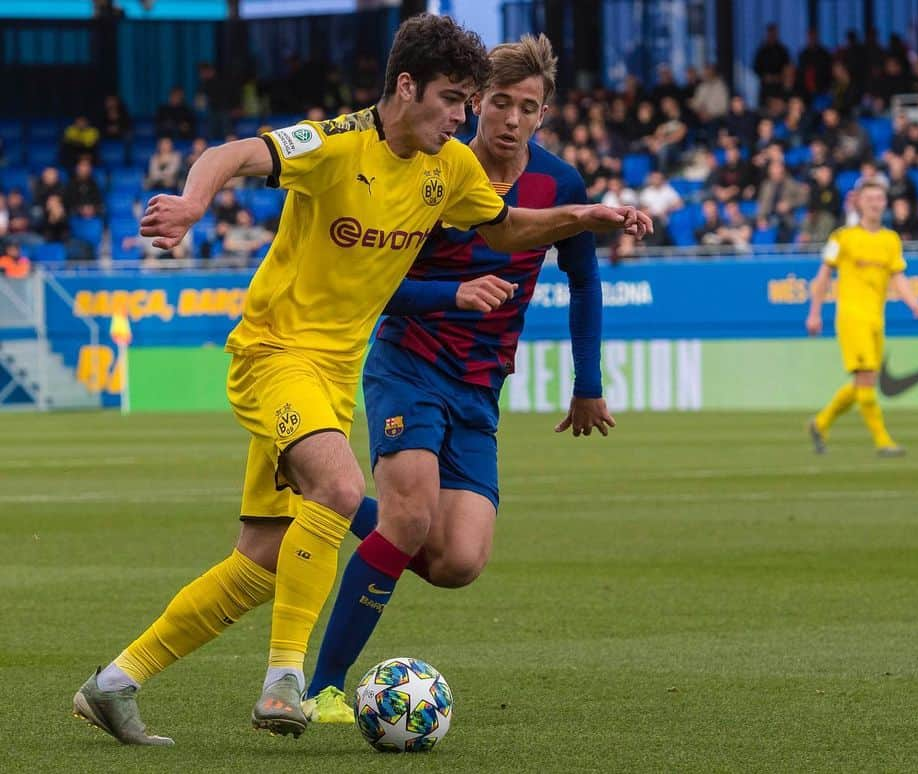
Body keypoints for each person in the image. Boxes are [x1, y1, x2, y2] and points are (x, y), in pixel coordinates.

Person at [71, 13, 650, 747]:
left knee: (263, 559)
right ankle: (288, 683)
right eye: (452, 99)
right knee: (341, 491)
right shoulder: (335, 144)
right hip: (274, 354)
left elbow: (503, 230)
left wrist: (581, 215)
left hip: (334, 374)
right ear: (405, 87)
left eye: (472, 101)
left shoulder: (452, 168)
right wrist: (191, 203)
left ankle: (115, 682)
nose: (464, 117)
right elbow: (233, 151)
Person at [301, 33, 617, 723]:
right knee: (411, 517)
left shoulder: (559, 185)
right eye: (498, 102)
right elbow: (375, 286)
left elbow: (585, 282)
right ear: (475, 103)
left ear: (543, 114)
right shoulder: (432, 169)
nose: (510, 119)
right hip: (408, 360)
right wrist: (453, 294)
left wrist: (586, 381)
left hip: (479, 385)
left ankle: (331, 495)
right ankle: (321, 684)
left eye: (526, 106)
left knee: (457, 563)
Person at [804, 177, 918, 456]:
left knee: (862, 383)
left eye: (879, 199)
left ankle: (820, 423)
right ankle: (883, 441)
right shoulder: (842, 237)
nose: (875, 204)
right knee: (868, 379)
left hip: (876, 319)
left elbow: (899, 276)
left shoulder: (890, 240)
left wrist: (912, 302)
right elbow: (823, 276)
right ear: (858, 202)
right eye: (869, 198)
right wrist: (814, 313)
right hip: (851, 317)